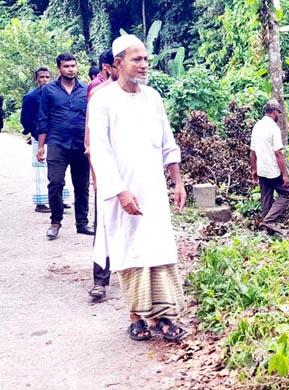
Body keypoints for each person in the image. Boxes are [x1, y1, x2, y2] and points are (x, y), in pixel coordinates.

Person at [88, 34, 188, 341]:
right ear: (117, 64)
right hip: (122, 193)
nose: (144, 65)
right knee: (129, 251)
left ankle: (165, 317)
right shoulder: (102, 101)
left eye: (146, 59)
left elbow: (167, 144)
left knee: (159, 248)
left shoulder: (153, 98)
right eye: (137, 59)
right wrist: (120, 191)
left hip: (154, 190)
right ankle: (136, 317)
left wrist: (178, 182)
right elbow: (100, 151)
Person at [37, 53, 93, 239]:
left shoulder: (86, 90)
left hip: (80, 144)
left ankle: (82, 223)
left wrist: (91, 143)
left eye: (73, 66)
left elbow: (91, 119)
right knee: (55, 183)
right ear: (59, 69)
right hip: (57, 143)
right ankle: (55, 222)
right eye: (66, 66)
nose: (71, 69)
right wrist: (41, 146)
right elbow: (43, 118)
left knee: (82, 185)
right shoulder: (49, 90)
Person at [85, 49, 118, 300]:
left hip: (135, 173)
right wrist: (97, 176)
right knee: (103, 226)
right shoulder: (99, 95)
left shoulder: (146, 96)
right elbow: (91, 144)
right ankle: (100, 280)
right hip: (107, 171)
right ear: (111, 65)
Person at [22, 67, 73, 213]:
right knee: (40, 170)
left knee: (58, 169)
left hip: (55, 136)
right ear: (36, 79)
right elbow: (25, 119)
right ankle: (41, 203)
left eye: (47, 77)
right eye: (41, 77)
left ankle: (59, 200)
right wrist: (34, 133)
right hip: (39, 136)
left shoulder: (55, 93)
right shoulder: (31, 97)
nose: (44, 80)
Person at [250, 99, 289, 235]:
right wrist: (285, 175)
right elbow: (278, 153)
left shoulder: (257, 126)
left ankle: (269, 232)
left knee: (266, 198)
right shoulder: (273, 128)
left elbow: (253, 152)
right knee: (286, 193)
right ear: (274, 112)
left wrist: (254, 170)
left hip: (262, 169)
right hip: (273, 170)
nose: (278, 116)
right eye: (278, 113)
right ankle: (268, 220)